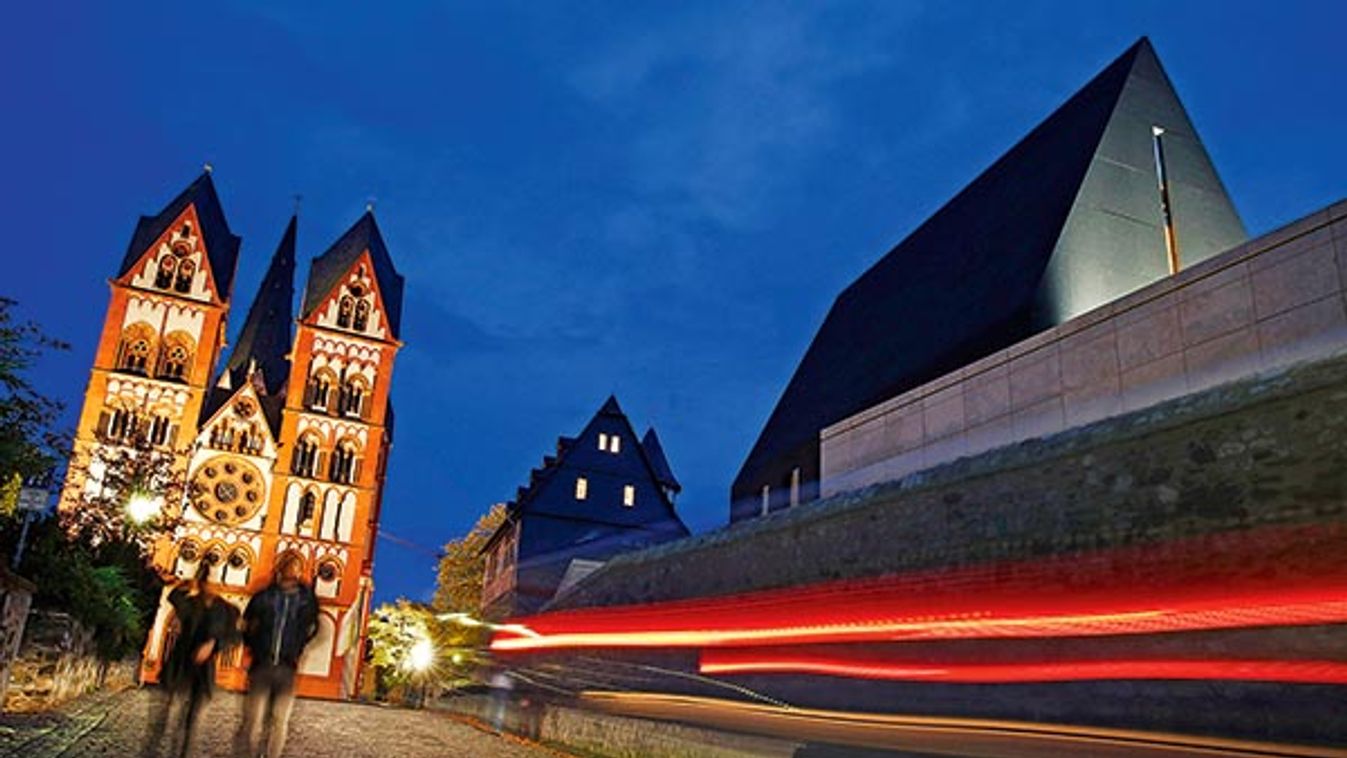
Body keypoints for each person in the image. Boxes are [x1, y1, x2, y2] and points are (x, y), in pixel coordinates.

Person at [144, 563, 235, 758]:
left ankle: (184, 754)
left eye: (210, 583)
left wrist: (213, 644)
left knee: (192, 722)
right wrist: (185, 582)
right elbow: (174, 597)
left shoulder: (226, 610)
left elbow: (233, 637)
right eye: (204, 582)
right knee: (165, 715)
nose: (208, 587)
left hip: (203, 673)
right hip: (181, 666)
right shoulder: (191, 603)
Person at [235, 554, 319, 758]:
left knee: (279, 721)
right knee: (252, 720)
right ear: (279, 569)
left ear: (300, 571)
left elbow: (313, 627)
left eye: (296, 566)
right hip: (262, 664)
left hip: (287, 666)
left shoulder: (306, 600)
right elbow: (246, 624)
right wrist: (254, 645)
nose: (291, 570)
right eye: (287, 565)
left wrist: (298, 646)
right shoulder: (264, 597)